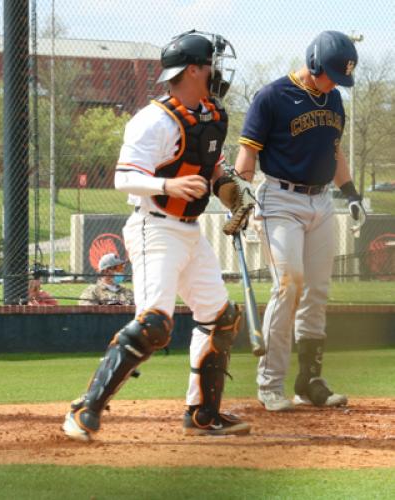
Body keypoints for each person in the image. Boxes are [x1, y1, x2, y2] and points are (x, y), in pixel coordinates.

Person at [63, 30, 253, 441]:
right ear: (192, 70)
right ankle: (85, 409)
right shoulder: (152, 120)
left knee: (221, 318)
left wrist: (234, 194)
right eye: (212, 64)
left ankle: (203, 414)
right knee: (154, 325)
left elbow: (214, 170)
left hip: (191, 232)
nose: (218, 71)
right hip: (154, 227)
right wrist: (167, 187)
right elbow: (123, 177)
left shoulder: (210, 114)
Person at [234, 31, 366, 412]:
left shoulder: (334, 98)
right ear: (312, 64)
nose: (335, 84)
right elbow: (246, 159)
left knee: (317, 291)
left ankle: (309, 379)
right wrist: (239, 197)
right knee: (289, 284)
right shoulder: (271, 96)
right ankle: (270, 383)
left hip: (321, 201)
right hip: (279, 199)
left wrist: (352, 194)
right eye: (331, 75)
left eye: (341, 79)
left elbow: (335, 151)